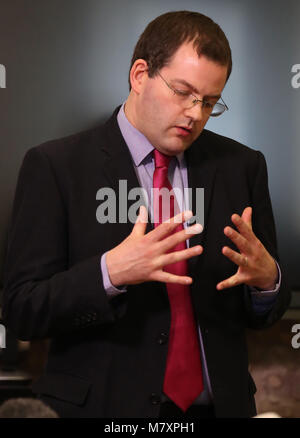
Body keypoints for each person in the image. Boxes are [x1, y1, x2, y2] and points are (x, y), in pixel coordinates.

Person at [2, 10, 290, 418]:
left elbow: (267, 307)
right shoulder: (55, 166)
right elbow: (21, 310)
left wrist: (267, 282)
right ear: (140, 75)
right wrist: (110, 272)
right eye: (183, 92)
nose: (194, 114)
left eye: (209, 102)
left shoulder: (242, 166)